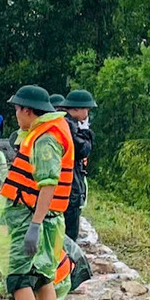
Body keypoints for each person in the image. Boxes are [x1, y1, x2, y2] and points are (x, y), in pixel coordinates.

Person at [0, 86, 74, 300]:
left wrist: (34, 225)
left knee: (21, 279)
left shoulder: (45, 139)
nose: (15, 116)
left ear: (27, 110)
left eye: (16, 110)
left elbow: (49, 184)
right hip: (45, 218)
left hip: (32, 217)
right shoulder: (48, 131)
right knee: (43, 277)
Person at [63, 89, 96, 244]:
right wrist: (86, 132)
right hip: (69, 186)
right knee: (69, 234)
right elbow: (83, 149)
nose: (87, 113)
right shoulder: (69, 125)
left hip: (69, 183)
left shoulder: (68, 123)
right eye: (86, 109)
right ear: (76, 109)